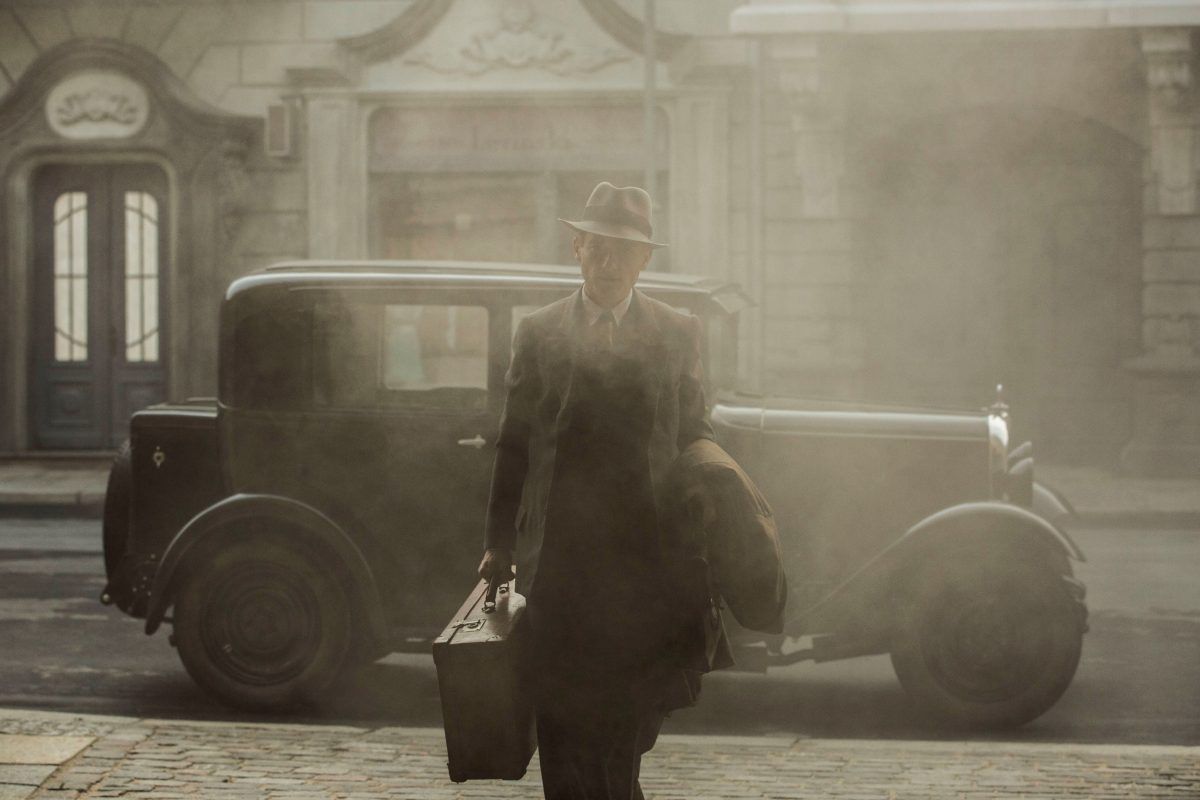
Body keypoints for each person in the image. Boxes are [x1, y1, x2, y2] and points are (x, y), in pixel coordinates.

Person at [478, 182, 713, 800]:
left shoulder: (678, 331)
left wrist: (714, 516)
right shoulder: (539, 331)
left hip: (646, 566)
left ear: (645, 260)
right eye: (598, 248)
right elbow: (515, 444)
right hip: (558, 565)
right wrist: (499, 543)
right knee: (560, 720)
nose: (610, 263)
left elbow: (696, 435)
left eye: (624, 251)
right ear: (577, 249)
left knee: (626, 727)